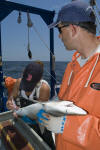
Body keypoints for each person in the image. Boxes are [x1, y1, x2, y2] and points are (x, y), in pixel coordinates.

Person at [37, 1, 100, 150]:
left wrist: (67, 126)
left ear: (72, 29)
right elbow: (63, 101)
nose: (59, 36)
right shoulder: (71, 66)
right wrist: (47, 109)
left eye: (60, 29)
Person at [6, 61, 55, 150]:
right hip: (22, 119)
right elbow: (12, 96)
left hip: (40, 121)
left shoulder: (44, 88)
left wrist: (21, 113)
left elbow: (40, 111)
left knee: (47, 143)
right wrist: (9, 101)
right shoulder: (19, 82)